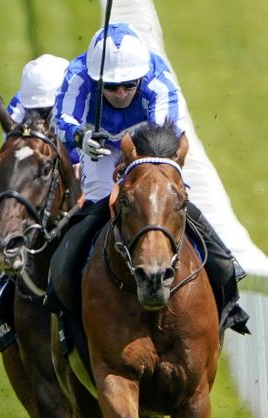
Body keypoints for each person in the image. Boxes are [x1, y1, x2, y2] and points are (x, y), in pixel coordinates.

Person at [46, 22, 248, 335]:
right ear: (97, 79)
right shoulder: (78, 75)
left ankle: (228, 280)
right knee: (100, 202)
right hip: (100, 149)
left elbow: (163, 138)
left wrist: (134, 166)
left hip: (149, 146)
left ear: (141, 76)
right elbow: (63, 120)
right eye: (111, 88)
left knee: (168, 199)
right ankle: (62, 291)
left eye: (129, 85)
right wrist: (81, 137)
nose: (121, 93)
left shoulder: (159, 79)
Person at [0, 53, 71, 343]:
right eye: (38, 108)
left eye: (47, 110)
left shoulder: (78, 98)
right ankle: (2, 298)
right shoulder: (18, 106)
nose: (42, 114)